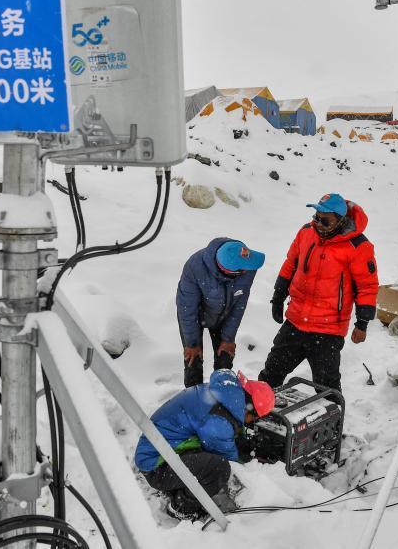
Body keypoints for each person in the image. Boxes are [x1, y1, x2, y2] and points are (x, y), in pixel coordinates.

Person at [259, 193, 379, 392]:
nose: (318, 223)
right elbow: (290, 264)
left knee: (326, 388)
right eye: (316, 217)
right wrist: (278, 296)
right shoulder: (306, 232)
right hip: (296, 321)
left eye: (324, 220)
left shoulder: (358, 246)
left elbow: (367, 286)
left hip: (328, 329)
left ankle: (332, 422)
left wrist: (362, 323)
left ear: (340, 220)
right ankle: (256, 415)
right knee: (270, 374)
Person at [134, 370, 275, 520]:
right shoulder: (219, 419)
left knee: (209, 459)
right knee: (218, 468)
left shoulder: (224, 394)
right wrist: (248, 466)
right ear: (250, 408)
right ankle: (181, 507)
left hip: (159, 451)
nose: (251, 422)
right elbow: (228, 457)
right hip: (156, 467)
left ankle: (178, 489)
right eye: (255, 418)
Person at [177, 238, 265, 387]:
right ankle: (195, 398)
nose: (248, 270)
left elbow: (239, 304)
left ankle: (222, 397)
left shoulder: (248, 266)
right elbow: (187, 308)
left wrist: (228, 338)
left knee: (225, 361)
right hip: (195, 315)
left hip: (225, 314)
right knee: (193, 360)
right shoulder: (194, 267)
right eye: (243, 270)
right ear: (229, 272)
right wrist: (192, 343)